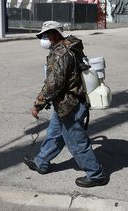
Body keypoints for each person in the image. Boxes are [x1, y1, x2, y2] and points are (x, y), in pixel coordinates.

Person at [23, 21, 109, 188]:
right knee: (55, 134)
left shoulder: (60, 54)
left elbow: (53, 84)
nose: (44, 39)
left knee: (76, 142)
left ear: (55, 34)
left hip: (70, 104)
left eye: (46, 35)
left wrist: (38, 104)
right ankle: (41, 162)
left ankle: (96, 174)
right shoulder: (70, 46)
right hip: (66, 103)